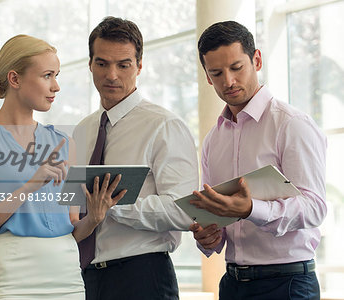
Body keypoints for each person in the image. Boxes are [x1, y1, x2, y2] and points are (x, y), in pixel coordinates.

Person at [0, 34, 124, 300]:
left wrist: (95, 217)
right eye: (47, 75)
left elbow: (74, 228)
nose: (56, 86)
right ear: (15, 79)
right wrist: (30, 184)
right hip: (8, 276)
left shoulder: (65, 144)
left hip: (65, 276)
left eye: (57, 75)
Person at [190, 21, 327, 300]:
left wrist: (252, 208)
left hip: (287, 283)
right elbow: (217, 217)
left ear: (257, 59)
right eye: (216, 73)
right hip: (231, 283)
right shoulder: (213, 140)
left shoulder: (291, 125)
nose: (228, 81)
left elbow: (314, 208)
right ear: (206, 76)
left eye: (236, 68)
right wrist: (208, 237)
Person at [72, 16, 199, 300]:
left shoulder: (164, 125)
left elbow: (185, 209)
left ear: (139, 66)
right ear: (90, 65)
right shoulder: (82, 131)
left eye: (123, 65)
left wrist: (112, 206)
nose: (112, 75)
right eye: (102, 63)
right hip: (85, 279)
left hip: (142, 277)